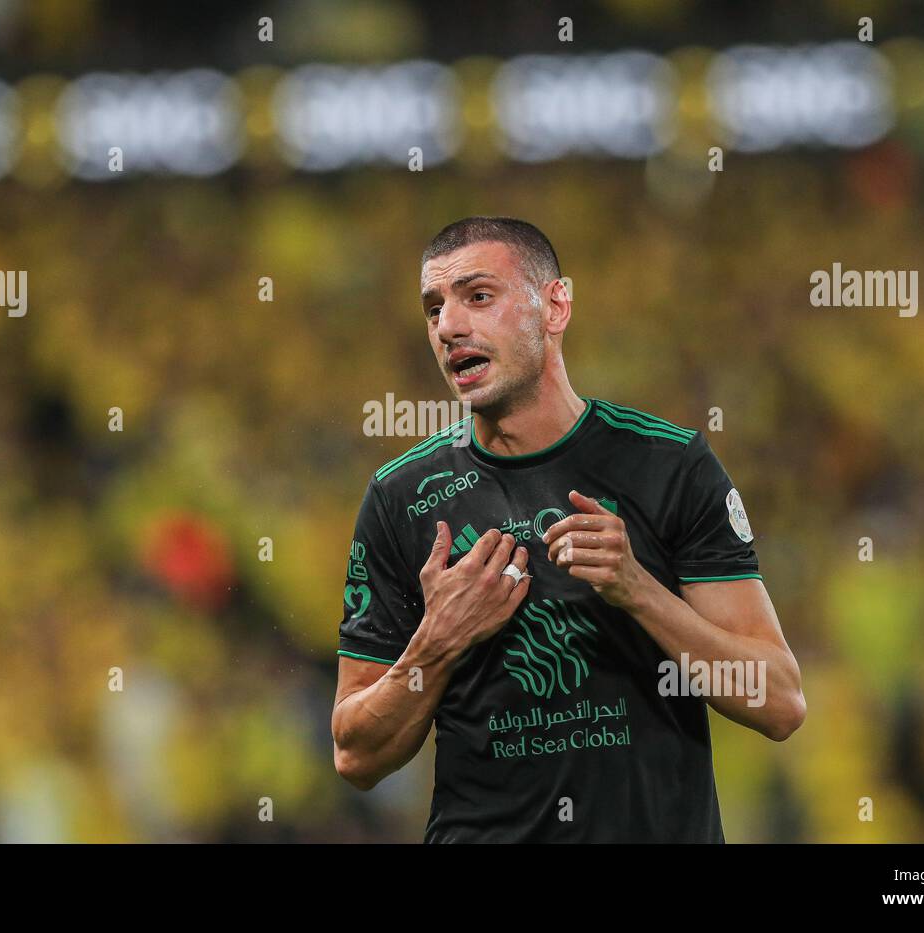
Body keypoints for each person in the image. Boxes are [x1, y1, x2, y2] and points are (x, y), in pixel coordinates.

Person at [331, 217, 805, 842]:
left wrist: (639, 590)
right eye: (433, 308)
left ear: (554, 306)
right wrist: (437, 641)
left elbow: (778, 702)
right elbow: (356, 755)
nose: (448, 327)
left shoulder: (668, 465)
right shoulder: (401, 498)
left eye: (477, 296)